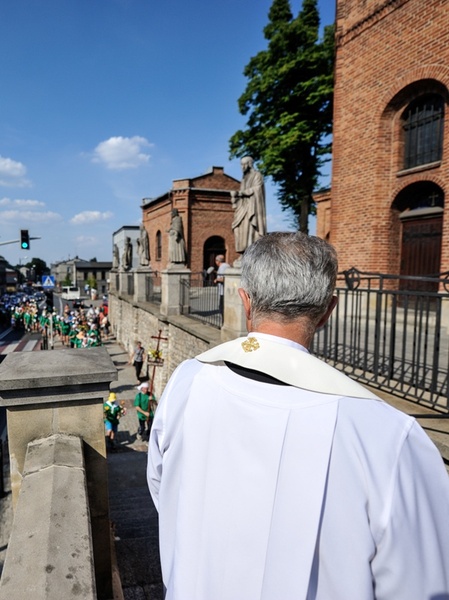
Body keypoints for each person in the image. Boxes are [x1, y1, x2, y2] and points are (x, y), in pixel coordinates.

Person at [147, 232, 449, 600]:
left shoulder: (187, 381)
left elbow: (163, 488)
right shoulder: (388, 434)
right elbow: (420, 583)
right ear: (328, 311)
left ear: (245, 300)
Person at [230, 156, 267, 259]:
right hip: (243, 207)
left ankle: (251, 254)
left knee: (249, 228)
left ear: (249, 164)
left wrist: (241, 193)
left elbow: (257, 189)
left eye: (244, 164)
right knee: (238, 228)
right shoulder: (244, 178)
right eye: (241, 164)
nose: (242, 167)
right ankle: (244, 253)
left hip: (252, 208)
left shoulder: (257, 175)